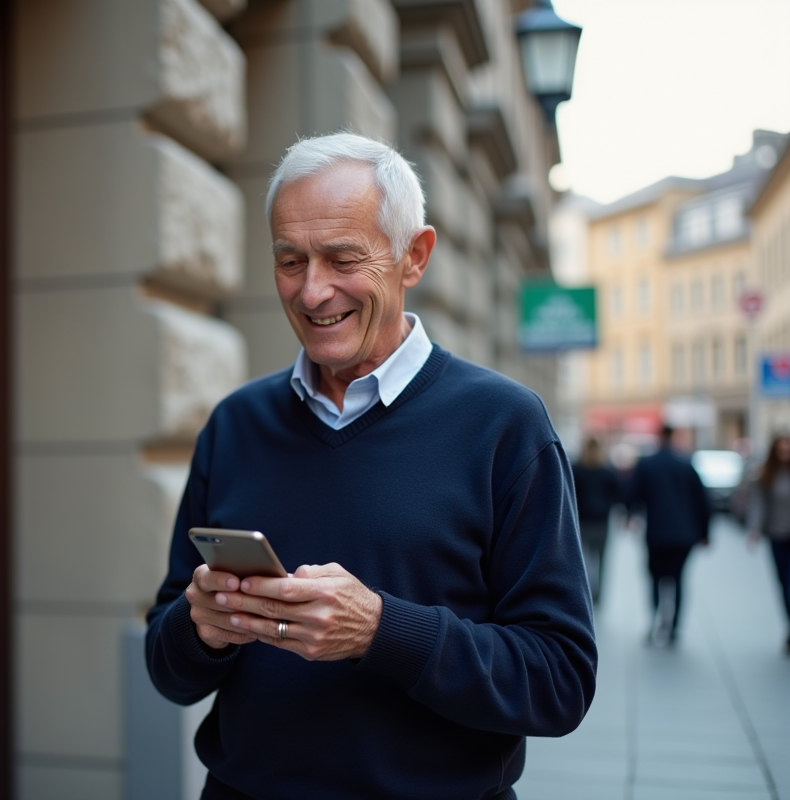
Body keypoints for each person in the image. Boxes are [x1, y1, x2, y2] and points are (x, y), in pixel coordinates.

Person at [144, 133, 597, 800]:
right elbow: (167, 670)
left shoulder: (504, 424)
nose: (312, 291)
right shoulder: (235, 424)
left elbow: (559, 681)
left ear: (414, 256)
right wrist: (200, 629)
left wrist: (384, 630)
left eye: (342, 258)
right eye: (289, 261)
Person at [624, 425, 711, 645]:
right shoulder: (686, 464)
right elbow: (702, 501)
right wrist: (705, 532)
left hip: (657, 533)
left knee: (655, 578)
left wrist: (630, 515)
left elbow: (632, 493)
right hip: (684, 535)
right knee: (679, 579)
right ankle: (674, 627)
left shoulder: (647, 464)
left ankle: (654, 620)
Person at [746, 433, 790, 654]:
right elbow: (758, 504)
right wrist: (754, 530)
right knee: (783, 583)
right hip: (776, 535)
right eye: (781, 450)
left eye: (788, 449)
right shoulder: (766, 475)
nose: (785, 453)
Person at [571, 437, 621, 605]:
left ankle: (582, 593)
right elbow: (617, 495)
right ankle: (597, 595)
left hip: (582, 521)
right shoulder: (607, 471)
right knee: (601, 560)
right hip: (602, 522)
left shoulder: (577, 469)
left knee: (581, 560)